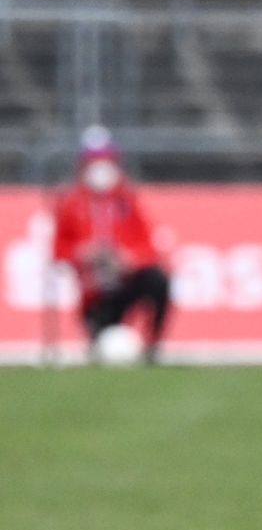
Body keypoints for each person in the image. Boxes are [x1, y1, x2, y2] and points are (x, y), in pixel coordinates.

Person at [51, 129, 171, 364]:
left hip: (125, 282)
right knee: (104, 342)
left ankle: (152, 346)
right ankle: (100, 335)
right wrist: (82, 254)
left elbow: (149, 248)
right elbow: (59, 250)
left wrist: (128, 260)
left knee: (158, 280)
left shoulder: (126, 200)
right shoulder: (71, 204)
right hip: (95, 293)